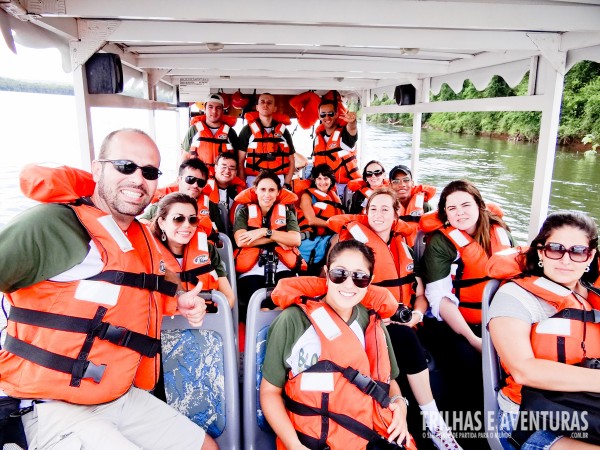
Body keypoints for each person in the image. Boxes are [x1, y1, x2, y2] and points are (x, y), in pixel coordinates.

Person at [0, 129, 217, 449]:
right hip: (54, 405)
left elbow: (154, 282)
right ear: (97, 168)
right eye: (125, 166)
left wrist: (180, 300)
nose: (138, 179)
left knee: (206, 447)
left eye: (149, 172)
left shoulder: (139, 236)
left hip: (118, 395)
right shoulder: (54, 225)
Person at [328, 189, 462, 450]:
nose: (378, 214)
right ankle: (434, 422)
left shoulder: (403, 245)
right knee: (404, 337)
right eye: (373, 208)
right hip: (372, 323)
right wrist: (387, 320)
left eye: (385, 209)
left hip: (409, 319)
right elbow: (342, 291)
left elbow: (420, 293)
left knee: (450, 342)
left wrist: (416, 315)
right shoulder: (352, 247)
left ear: (396, 214)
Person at [260, 240, 417, 450]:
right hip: (309, 443)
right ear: (326, 273)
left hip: (368, 439)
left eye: (360, 277)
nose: (348, 284)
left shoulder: (372, 322)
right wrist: (294, 445)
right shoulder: (292, 321)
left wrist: (400, 405)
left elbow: (390, 382)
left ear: (370, 281)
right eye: (339, 273)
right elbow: (269, 393)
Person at [487, 211, 600, 449]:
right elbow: (524, 370)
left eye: (578, 251)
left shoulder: (593, 296)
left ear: (590, 257)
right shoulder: (515, 296)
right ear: (541, 252)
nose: (566, 260)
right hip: (530, 421)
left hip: (590, 406)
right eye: (556, 249)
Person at [419, 179, 513, 450]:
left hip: (499, 319)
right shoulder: (441, 243)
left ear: (480, 206)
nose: (460, 212)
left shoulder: (499, 231)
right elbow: (440, 300)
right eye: (452, 208)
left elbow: (517, 274)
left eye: (465, 205)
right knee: (470, 364)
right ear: (445, 213)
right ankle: (469, 439)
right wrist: (474, 340)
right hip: (455, 324)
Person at [233, 170, 305, 322]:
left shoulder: (286, 212)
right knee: (261, 306)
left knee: (284, 306)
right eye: (263, 189)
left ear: (278, 192)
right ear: (255, 190)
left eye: (272, 190)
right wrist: (278, 239)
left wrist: (264, 232)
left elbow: (295, 240)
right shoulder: (244, 212)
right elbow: (241, 241)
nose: (267, 194)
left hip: (283, 265)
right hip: (251, 268)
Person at [150, 192, 235, 309]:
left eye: (192, 219)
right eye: (178, 219)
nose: (187, 225)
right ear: (161, 223)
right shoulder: (149, 250)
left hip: (206, 321)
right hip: (165, 323)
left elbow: (228, 298)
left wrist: (204, 315)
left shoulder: (208, 249)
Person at [140, 158, 225, 234]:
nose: (195, 185)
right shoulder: (162, 204)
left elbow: (220, 237)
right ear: (179, 180)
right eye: (190, 179)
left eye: (200, 182)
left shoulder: (211, 207)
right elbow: (142, 225)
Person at [237, 93, 296, 188]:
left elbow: (292, 161)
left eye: (269, 103)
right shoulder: (247, 130)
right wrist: (243, 184)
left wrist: (286, 184)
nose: (265, 105)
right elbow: (240, 161)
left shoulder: (284, 131)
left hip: (278, 180)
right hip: (253, 180)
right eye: (262, 102)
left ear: (274, 108)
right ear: (257, 107)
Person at [295, 164, 345, 275]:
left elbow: (342, 218)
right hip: (310, 238)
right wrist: (334, 225)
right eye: (319, 178)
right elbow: (311, 220)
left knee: (343, 236)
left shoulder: (334, 198)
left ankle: (330, 271)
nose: (322, 182)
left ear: (331, 180)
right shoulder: (307, 195)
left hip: (327, 238)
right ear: (315, 180)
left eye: (326, 178)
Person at [312, 99, 360, 198]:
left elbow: (352, 130)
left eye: (331, 113)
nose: (327, 117)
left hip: (344, 188)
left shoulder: (344, 135)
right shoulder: (318, 138)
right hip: (323, 185)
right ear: (319, 116)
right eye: (323, 114)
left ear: (337, 114)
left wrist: (352, 122)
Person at [181, 93, 239, 173]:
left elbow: (237, 159)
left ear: (222, 110)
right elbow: (185, 156)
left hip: (222, 177)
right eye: (210, 107)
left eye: (218, 108)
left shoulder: (231, 133)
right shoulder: (193, 130)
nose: (214, 111)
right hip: (199, 176)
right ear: (204, 108)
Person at [388, 164, 436, 247]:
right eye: (396, 181)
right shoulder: (386, 208)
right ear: (390, 185)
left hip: (420, 252)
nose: (402, 184)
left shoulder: (425, 207)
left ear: (412, 183)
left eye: (406, 180)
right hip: (396, 252)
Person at [208, 152, 246, 234]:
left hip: (233, 233)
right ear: (215, 168)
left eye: (231, 168)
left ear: (236, 172)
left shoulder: (240, 191)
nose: (227, 171)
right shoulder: (203, 188)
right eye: (223, 166)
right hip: (211, 233)